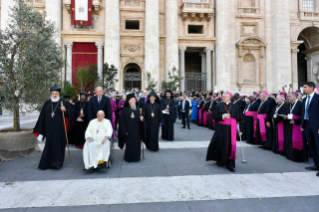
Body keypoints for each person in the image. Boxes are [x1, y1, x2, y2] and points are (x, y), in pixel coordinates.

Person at [33, 86, 75, 170]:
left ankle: (57, 163)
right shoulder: (47, 103)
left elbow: (72, 113)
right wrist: (41, 130)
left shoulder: (64, 103)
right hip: (49, 130)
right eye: (53, 93)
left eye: (56, 93)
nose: (54, 95)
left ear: (59, 94)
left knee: (59, 146)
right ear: (51, 94)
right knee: (49, 145)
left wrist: (65, 110)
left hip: (60, 130)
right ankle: (48, 163)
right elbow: (42, 117)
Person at [206, 92, 243, 172]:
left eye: (224, 97)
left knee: (230, 145)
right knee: (219, 143)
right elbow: (213, 116)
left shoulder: (235, 107)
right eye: (222, 97)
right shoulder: (218, 105)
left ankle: (230, 165)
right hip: (221, 128)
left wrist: (240, 130)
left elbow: (239, 120)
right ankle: (220, 160)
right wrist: (222, 116)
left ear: (229, 97)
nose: (222, 98)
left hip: (231, 129)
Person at [301, 82, 319, 177]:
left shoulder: (317, 98)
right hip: (307, 124)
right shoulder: (304, 99)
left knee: (318, 146)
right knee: (311, 145)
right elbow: (303, 112)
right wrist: (302, 125)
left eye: (305, 87)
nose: (303, 89)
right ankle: (316, 164)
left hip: (316, 126)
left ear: (311, 88)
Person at [118, 93, 144, 162]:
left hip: (137, 130)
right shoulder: (125, 109)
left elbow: (142, 120)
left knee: (136, 144)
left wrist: (142, 119)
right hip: (128, 131)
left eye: (134, 100)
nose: (133, 101)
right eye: (132, 100)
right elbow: (122, 122)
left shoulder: (139, 109)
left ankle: (136, 157)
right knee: (129, 145)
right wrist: (125, 131)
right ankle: (128, 158)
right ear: (128, 101)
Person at [284, 92, 308, 162]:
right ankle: (290, 155)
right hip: (290, 124)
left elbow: (303, 116)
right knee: (290, 139)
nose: (288, 98)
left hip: (297, 125)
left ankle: (299, 157)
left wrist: (296, 121)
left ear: (295, 96)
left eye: (289, 96)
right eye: (287, 96)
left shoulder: (300, 103)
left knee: (297, 140)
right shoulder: (289, 104)